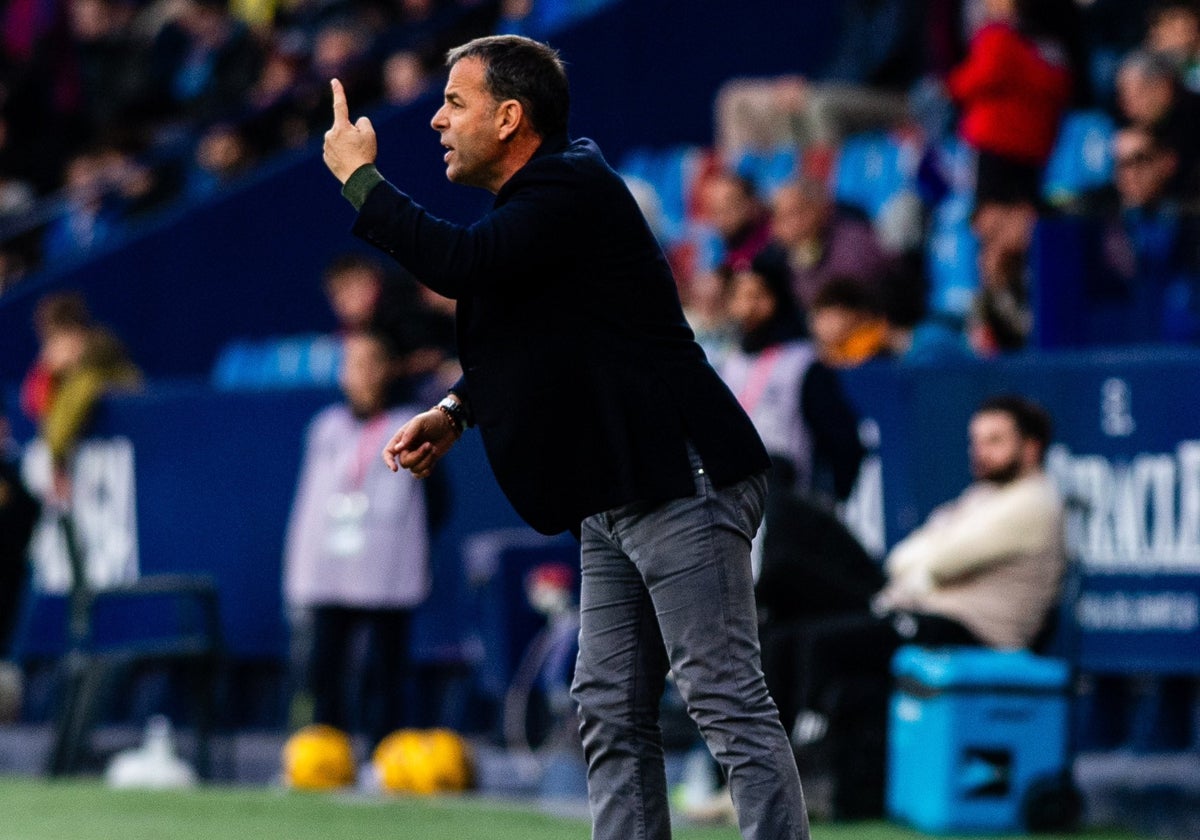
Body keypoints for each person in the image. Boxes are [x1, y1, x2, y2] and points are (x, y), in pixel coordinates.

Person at [322, 34, 809, 840]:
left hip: (680, 474)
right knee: (609, 706)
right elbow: (541, 341)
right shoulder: (540, 206)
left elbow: (458, 264)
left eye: (455, 102)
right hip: (617, 485)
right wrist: (455, 411)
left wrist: (358, 180)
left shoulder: (571, 186)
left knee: (723, 697)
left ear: (510, 118)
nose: (437, 121)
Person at [789, 395, 1066, 817]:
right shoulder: (982, 497)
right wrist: (925, 568)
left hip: (977, 633)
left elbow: (939, 559)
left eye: (995, 441)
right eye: (976, 440)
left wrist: (926, 570)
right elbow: (907, 556)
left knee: (823, 644)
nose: (980, 451)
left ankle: (794, 767)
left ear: (1031, 448)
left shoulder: (1034, 503)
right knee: (833, 660)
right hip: (935, 619)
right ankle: (847, 793)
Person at [283, 327, 443, 747]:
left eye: (372, 363)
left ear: (389, 369)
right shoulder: (326, 429)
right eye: (354, 364)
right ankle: (328, 756)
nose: (364, 374)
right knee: (325, 669)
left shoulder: (408, 425)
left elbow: (437, 501)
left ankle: (383, 755)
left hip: (385, 567)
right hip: (330, 568)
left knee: (384, 670)